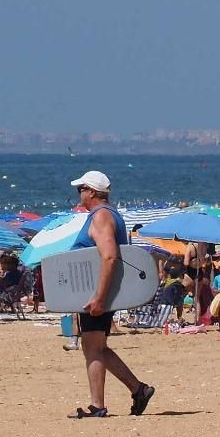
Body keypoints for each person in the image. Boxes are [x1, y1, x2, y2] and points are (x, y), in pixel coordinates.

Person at [67, 171, 153, 419]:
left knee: (92, 348)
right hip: (102, 290)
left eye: (81, 189)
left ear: (92, 192)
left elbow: (110, 256)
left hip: (98, 292)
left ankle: (98, 406)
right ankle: (138, 389)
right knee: (98, 347)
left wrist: (100, 297)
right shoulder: (110, 214)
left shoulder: (102, 216)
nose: (80, 194)